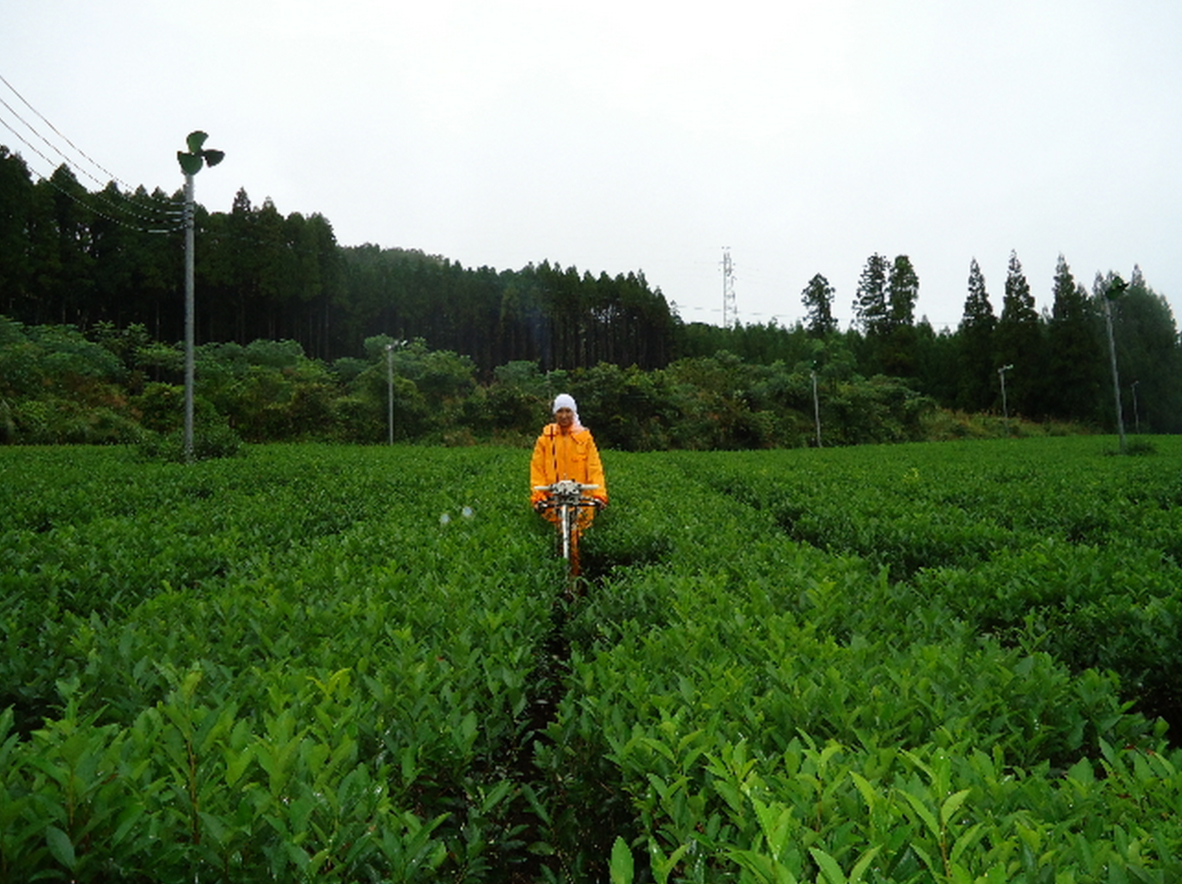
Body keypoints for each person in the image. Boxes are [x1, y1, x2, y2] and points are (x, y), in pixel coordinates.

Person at [530, 394, 607, 573]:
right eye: (560, 411)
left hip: (579, 500)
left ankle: (576, 579)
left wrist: (599, 493)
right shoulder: (545, 439)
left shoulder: (584, 438)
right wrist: (538, 494)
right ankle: (554, 580)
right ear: (554, 414)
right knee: (554, 541)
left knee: (577, 542)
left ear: (573, 413)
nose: (564, 415)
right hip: (553, 499)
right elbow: (537, 469)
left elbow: (594, 467)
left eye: (567, 411)